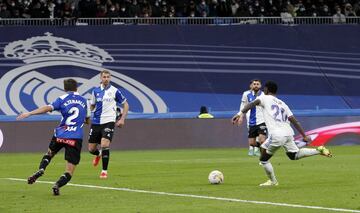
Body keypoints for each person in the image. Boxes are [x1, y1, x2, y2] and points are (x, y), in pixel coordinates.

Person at [232, 81, 332, 186]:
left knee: (263, 160)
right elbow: (294, 120)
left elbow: (252, 104)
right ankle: (318, 150)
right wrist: (304, 136)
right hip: (288, 133)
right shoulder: (282, 103)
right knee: (294, 155)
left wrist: (239, 114)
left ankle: (273, 181)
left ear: (266, 90)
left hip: (277, 134)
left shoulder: (264, 98)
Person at [16, 79, 90, 195]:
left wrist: (29, 113)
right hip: (75, 137)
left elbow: (47, 108)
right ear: (77, 88)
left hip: (60, 134)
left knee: (49, 153)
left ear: (65, 89)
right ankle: (57, 185)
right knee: (69, 171)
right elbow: (87, 120)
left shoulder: (62, 99)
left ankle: (42, 169)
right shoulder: (85, 101)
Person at [88, 70, 129, 179]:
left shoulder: (115, 91)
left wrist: (122, 119)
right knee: (91, 149)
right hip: (96, 122)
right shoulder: (95, 91)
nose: (106, 79)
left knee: (105, 144)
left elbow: (126, 105)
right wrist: (88, 113)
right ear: (101, 78)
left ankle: (104, 171)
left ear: (110, 78)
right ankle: (98, 154)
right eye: (104, 77)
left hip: (109, 121)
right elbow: (92, 106)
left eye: (108, 77)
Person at [232, 79, 267, 156]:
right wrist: (241, 116)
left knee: (262, 140)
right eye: (254, 84)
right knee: (252, 143)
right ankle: (255, 147)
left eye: (258, 84)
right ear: (251, 86)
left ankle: (264, 157)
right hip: (251, 121)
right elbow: (243, 106)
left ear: (260, 86)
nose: (256, 85)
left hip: (262, 120)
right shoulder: (246, 94)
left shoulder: (264, 95)